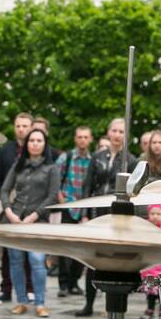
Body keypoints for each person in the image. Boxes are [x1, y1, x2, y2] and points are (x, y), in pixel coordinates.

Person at [76, 117, 137, 317]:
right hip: (96, 212)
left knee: (113, 260)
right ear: (108, 132)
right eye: (114, 131)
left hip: (117, 214)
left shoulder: (131, 160)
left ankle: (113, 301)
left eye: (121, 132)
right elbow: (87, 185)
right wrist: (84, 214)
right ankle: (88, 303)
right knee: (92, 259)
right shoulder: (97, 156)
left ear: (126, 135)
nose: (117, 135)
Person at [0, 128, 60, 317]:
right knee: (16, 261)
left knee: (36, 260)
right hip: (15, 220)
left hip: (37, 221)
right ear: (27, 144)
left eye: (39, 140)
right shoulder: (19, 164)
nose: (34, 144)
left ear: (44, 144)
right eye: (31, 140)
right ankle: (21, 301)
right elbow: (4, 190)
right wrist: (9, 212)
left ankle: (40, 303)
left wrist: (33, 216)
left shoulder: (52, 168)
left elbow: (52, 197)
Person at [0, 112, 33, 302]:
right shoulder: (6, 150)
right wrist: (0, 202)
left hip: (31, 207)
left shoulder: (39, 149)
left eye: (25, 126)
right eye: (18, 125)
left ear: (31, 127)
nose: (21, 129)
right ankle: (6, 288)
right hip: (9, 206)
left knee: (30, 251)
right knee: (8, 250)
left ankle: (29, 289)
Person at [55, 125, 94, 297]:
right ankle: (63, 284)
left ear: (90, 139)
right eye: (80, 137)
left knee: (82, 248)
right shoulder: (66, 157)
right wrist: (60, 198)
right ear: (75, 139)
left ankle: (74, 282)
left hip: (85, 208)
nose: (82, 140)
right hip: (68, 206)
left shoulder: (93, 160)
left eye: (86, 137)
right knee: (65, 247)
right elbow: (55, 179)